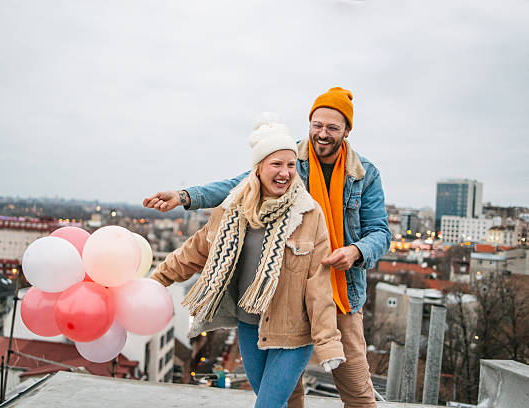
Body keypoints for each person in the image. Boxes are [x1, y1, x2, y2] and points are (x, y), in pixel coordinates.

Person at [144, 87, 391, 408]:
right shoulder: (290, 158)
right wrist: (185, 196)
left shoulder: (364, 175)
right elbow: (236, 186)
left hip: (340, 290)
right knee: (286, 396)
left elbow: (380, 232)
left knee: (357, 391)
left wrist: (355, 251)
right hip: (281, 293)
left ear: (347, 131)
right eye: (317, 124)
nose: (323, 133)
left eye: (332, 127)